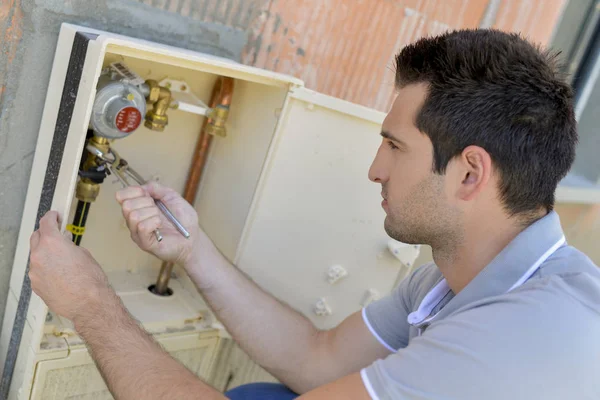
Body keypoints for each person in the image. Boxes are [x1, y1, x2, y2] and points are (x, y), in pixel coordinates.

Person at [28, 28, 600, 400]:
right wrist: (192, 250)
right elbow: (316, 358)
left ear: (470, 174)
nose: (375, 169)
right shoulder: (452, 279)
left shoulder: (522, 334)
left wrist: (92, 307)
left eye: (395, 147)